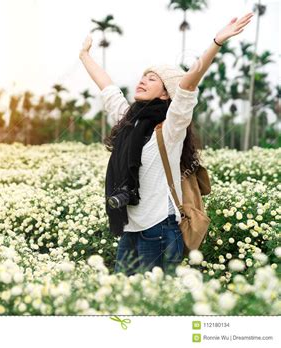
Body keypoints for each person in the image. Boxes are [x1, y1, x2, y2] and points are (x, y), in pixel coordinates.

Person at [79, 12, 254, 276]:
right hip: (130, 228)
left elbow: (188, 85)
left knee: (154, 305)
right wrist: (84, 56)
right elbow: (107, 87)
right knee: (122, 299)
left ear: (166, 93)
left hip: (159, 230)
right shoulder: (130, 121)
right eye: (143, 76)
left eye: (152, 79)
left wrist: (216, 42)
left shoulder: (171, 127)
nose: (142, 80)